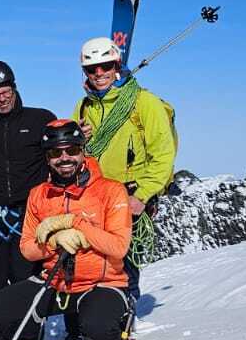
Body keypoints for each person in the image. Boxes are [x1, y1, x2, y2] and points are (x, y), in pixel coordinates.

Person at [0, 121, 133, 340]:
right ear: (47, 158)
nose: (64, 158)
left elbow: (119, 246)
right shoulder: (39, 194)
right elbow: (27, 248)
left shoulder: (110, 190)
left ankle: (119, 315)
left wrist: (77, 225)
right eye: (56, 153)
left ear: (83, 151)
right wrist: (54, 242)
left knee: (99, 336)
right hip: (54, 283)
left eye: (72, 150)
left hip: (101, 283)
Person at [73, 36, 176, 303]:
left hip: (129, 196)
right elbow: (69, 157)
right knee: (95, 263)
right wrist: (78, 140)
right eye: (91, 69)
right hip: (93, 197)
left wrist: (141, 196)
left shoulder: (144, 103)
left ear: (116, 65)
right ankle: (100, 316)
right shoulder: (84, 107)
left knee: (122, 264)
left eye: (105, 66)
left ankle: (122, 318)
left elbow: (163, 154)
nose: (99, 74)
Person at [0, 61, 57, 298]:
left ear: (14, 89)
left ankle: (29, 333)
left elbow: (60, 158)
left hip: (30, 213)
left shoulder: (40, 120)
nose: (1, 98)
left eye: (5, 92)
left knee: (26, 278)